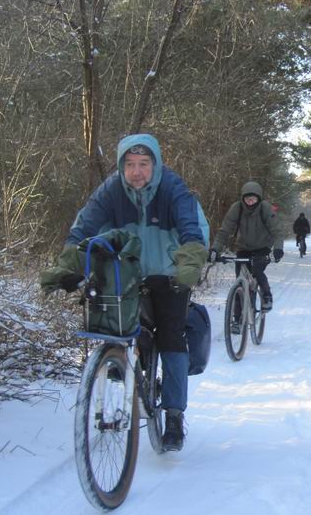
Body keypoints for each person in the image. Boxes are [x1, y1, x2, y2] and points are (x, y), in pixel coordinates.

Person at [41, 134, 209, 452]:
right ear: (120, 166)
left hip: (169, 272)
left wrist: (188, 267)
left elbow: (191, 229)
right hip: (125, 273)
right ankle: (125, 366)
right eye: (129, 165)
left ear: (155, 164)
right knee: (122, 330)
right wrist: (66, 267)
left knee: (171, 337)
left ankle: (173, 413)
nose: (136, 172)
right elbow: (82, 231)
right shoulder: (110, 190)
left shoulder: (173, 188)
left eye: (143, 164)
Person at [208, 181, 284, 325]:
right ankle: (237, 320)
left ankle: (267, 295)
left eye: (253, 198)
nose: (250, 201)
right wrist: (215, 249)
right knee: (240, 282)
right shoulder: (237, 208)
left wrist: (278, 249)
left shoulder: (265, 208)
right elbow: (224, 231)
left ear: (259, 198)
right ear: (242, 198)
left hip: (263, 247)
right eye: (247, 198)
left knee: (257, 269)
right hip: (243, 247)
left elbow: (277, 231)